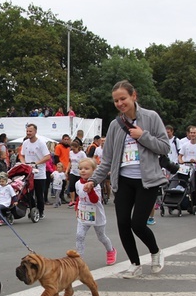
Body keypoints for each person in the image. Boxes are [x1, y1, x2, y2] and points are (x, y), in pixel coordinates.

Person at [85, 80, 169, 277]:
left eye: (123, 98)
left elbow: (164, 147)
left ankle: (155, 251)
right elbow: (107, 159)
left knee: (138, 223)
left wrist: (143, 136)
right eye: (116, 101)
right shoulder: (115, 125)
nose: (120, 103)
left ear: (134, 96)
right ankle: (134, 264)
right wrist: (93, 180)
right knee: (123, 223)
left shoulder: (151, 117)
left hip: (147, 180)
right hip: (123, 181)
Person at [75, 157, 116, 265]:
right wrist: (77, 209)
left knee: (101, 236)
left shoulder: (95, 185)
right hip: (84, 214)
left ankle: (111, 250)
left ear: (94, 171)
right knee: (79, 235)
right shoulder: (77, 183)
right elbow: (78, 198)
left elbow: (95, 200)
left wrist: (90, 190)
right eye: (81, 168)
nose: (83, 171)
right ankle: (79, 259)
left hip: (96, 214)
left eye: (86, 168)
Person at [19, 123, 51, 220]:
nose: (28, 133)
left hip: (39, 173)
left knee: (39, 194)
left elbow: (47, 157)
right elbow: (21, 155)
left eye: (30, 131)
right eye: (27, 131)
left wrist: (36, 163)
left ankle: (40, 211)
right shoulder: (25, 143)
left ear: (35, 132)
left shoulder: (41, 143)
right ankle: (33, 210)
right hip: (29, 173)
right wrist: (24, 163)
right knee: (28, 194)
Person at [67, 139, 86, 207]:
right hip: (73, 171)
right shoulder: (71, 153)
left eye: (74, 149)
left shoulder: (82, 153)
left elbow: (85, 161)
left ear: (77, 148)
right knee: (72, 185)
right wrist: (67, 170)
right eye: (72, 149)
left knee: (79, 186)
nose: (73, 151)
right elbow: (70, 162)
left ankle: (79, 199)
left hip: (79, 172)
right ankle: (72, 200)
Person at [54, 134, 71, 201]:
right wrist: (58, 167)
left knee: (64, 184)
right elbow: (56, 157)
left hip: (67, 168)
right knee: (60, 184)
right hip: (61, 168)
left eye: (67, 139)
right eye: (65, 139)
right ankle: (60, 197)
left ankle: (61, 196)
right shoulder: (59, 147)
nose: (66, 141)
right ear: (62, 140)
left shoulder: (68, 148)